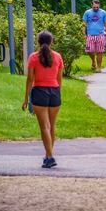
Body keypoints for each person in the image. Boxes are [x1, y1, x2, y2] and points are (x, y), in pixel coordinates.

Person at [22, 30, 64, 169]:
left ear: (38, 42)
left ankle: (50, 157)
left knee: (44, 126)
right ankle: (47, 156)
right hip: (54, 92)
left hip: (39, 91)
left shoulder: (34, 57)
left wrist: (26, 99)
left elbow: (30, 79)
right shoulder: (58, 56)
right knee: (51, 126)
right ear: (51, 42)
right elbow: (59, 79)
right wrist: (58, 92)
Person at [82, 0, 106, 73]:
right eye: (94, 7)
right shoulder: (87, 13)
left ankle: (99, 67)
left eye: (97, 7)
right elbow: (84, 24)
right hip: (90, 34)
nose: (96, 8)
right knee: (89, 50)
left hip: (100, 34)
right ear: (92, 5)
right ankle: (93, 60)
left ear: (99, 6)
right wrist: (83, 34)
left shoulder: (103, 13)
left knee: (99, 51)